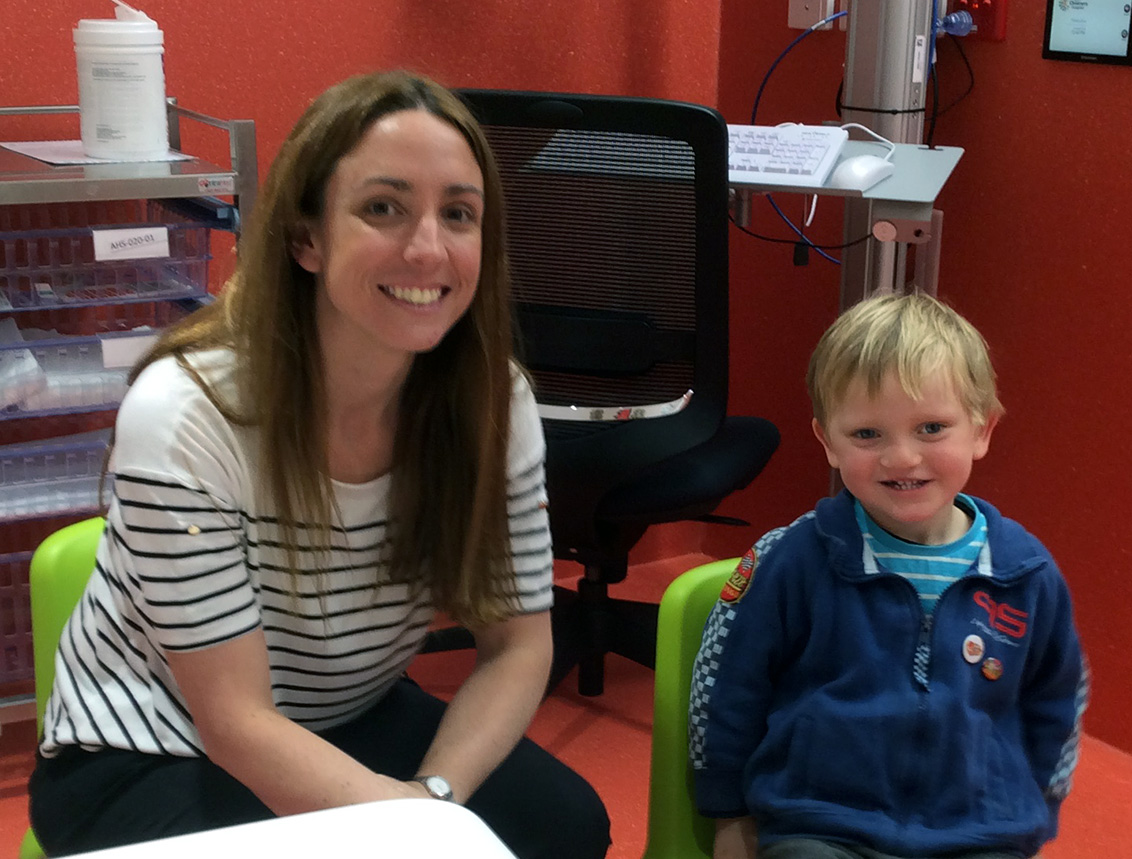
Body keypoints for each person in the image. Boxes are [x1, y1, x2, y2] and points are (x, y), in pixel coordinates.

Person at [28, 70, 610, 859]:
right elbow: (234, 720)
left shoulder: (491, 400)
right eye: (383, 207)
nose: (429, 246)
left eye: (460, 214)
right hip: (152, 748)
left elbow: (518, 646)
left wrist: (431, 801)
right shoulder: (189, 411)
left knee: (565, 828)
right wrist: (412, 832)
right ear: (306, 237)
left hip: (348, 718)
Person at [689, 293, 1087, 859]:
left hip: (979, 830)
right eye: (867, 435)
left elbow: (1058, 699)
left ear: (982, 429)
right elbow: (730, 684)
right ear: (827, 441)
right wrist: (729, 812)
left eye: (930, 427)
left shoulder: (1025, 572)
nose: (901, 459)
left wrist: (1036, 810)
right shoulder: (792, 558)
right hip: (823, 822)